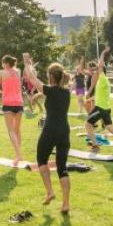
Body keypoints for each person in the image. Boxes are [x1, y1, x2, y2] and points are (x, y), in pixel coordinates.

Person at [23, 54, 71, 215]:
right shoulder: (66, 93)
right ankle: (65, 204)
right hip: (64, 130)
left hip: (50, 129)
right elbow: (38, 85)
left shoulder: (50, 90)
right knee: (62, 167)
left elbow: (30, 78)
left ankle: (50, 191)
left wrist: (27, 63)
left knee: (41, 160)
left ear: (51, 76)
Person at [0, 55, 26, 165]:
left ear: (6, 63)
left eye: (3, 63)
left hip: (8, 104)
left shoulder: (2, 73)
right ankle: (18, 155)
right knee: (17, 130)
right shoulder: (18, 71)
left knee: (11, 131)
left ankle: (18, 154)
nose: (2, 65)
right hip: (19, 103)